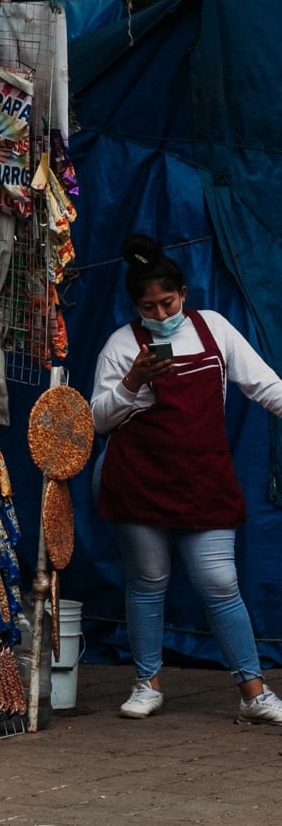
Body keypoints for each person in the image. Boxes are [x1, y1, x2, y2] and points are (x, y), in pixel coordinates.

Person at [93, 235, 282, 722]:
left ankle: (255, 693)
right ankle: (147, 683)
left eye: (167, 303)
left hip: (203, 478)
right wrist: (133, 382)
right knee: (148, 581)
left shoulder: (214, 329)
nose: (159, 314)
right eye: (148, 307)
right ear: (134, 306)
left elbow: (265, 385)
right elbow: (96, 422)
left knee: (220, 583)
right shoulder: (120, 345)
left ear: (184, 293)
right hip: (139, 480)